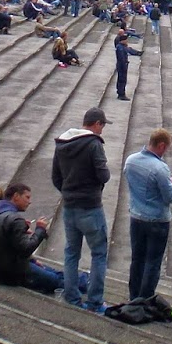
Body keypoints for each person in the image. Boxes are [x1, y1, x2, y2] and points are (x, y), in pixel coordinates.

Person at [52, 107, 111, 313]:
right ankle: (95, 302)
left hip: (70, 207)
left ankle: (71, 297)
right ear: (97, 124)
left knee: (71, 252)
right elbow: (103, 175)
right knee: (99, 253)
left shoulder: (62, 144)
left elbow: (56, 177)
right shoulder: (94, 145)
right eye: (102, 126)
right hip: (91, 207)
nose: (102, 130)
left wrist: (69, 192)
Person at [0, 182, 82, 296]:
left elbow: (7, 241)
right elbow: (26, 249)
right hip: (11, 271)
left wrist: (31, 258)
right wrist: (40, 230)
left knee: (55, 273)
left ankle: (86, 281)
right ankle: (88, 287)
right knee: (56, 280)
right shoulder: (14, 219)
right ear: (16, 196)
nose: (29, 202)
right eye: (27, 197)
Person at [124, 129, 172, 301]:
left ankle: (134, 295)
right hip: (157, 220)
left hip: (136, 216)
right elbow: (170, 198)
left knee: (137, 259)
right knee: (153, 262)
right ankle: (145, 298)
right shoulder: (160, 168)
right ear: (161, 145)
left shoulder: (131, 161)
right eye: (166, 148)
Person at [113, 29, 141, 101]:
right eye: (126, 40)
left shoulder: (122, 46)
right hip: (122, 66)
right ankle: (121, 94)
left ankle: (121, 92)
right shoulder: (120, 48)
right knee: (122, 80)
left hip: (122, 65)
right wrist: (125, 65)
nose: (127, 41)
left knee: (121, 79)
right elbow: (122, 58)